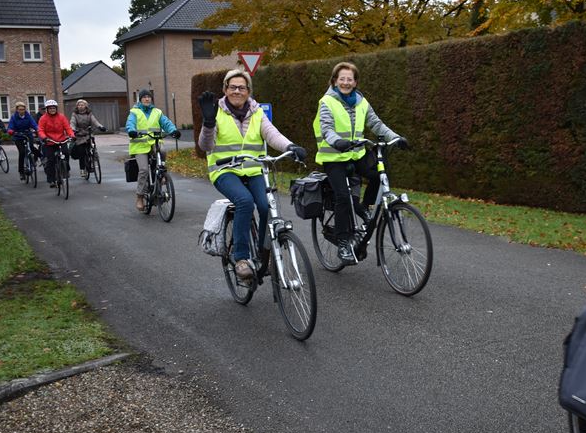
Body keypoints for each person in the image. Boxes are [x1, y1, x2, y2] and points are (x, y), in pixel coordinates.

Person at [198, 69, 307, 282]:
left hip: (254, 169)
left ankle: (263, 253)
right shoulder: (216, 112)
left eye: (242, 87)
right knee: (245, 201)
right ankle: (241, 258)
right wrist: (208, 124)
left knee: (267, 205)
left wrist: (290, 146)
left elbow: (271, 133)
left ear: (249, 91)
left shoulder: (256, 112)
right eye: (232, 87)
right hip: (224, 171)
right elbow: (205, 145)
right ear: (225, 89)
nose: (237, 91)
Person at [313, 61, 408, 264]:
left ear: (355, 82)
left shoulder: (361, 101)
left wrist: (396, 137)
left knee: (379, 176)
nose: (346, 82)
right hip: (334, 156)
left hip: (356, 153)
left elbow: (375, 123)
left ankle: (364, 207)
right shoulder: (327, 102)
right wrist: (337, 141)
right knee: (342, 197)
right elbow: (326, 128)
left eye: (350, 79)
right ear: (335, 81)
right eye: (342, 79)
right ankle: (343, 243)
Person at [125, 89, 181, 211]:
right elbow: (130, 124)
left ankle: (161, 174)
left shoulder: (157, 112)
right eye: (144, 97)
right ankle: (140, 196)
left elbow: (166, 123)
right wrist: (132, 131)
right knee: (144, 170)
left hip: (154, 142)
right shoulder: (134, 112)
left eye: (149, 97)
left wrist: (173, 131)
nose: (147, 99)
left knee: (163, 150)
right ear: (140, 99)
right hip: (140, 146)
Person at [38, 99, 75, 187]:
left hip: (61, 140)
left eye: (53, 108)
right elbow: (40, 130)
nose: (52, 110)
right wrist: (44, 138)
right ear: (47, 109)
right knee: (50, 160)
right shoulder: (43, 118)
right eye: (50, 108)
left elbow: (68, 128)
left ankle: (66, 170)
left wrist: (72, 135)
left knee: (66, 153)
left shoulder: (61, 117)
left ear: (56, 108)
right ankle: (51, 180)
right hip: (50, 141)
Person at [69, 99, 106, 178]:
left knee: (92, 146)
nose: (80, 106)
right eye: (79, 105)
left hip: (88, 133)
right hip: (79, 134)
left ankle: (93, 158)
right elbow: (72, 122)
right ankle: (82, 169)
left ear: (85, 106)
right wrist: (73, 129)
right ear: (77, 106)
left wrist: (100, 127)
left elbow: (94, 121)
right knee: (81, 152)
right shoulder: (74, 114)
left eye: (82, 105)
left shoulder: (89, 114)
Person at [6, 102, 39, 182]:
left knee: (31, 147)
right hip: (18, 136)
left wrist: (37, 129)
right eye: (20, 109)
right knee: (22, 152)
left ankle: (36, 158)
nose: (22, 111)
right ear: (17, 110)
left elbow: (34, 124)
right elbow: (10, 127)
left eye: (23, 109)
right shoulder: (14, 117)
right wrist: (11, 131)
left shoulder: (28, 116)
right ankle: (21, 172)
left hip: (27, 134)